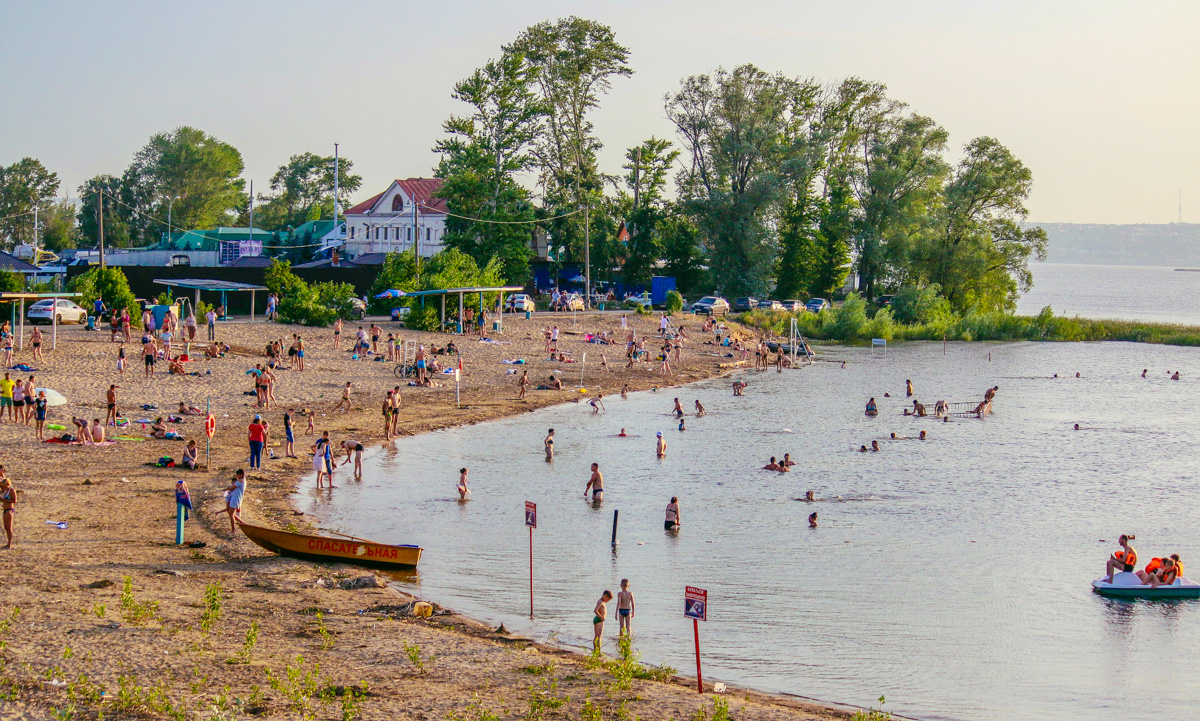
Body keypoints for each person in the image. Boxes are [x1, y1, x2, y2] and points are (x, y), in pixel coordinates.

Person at [224, 470, 246, 534]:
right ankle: (243, 524)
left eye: (237, 474)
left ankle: (233, 530)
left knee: (231, 514)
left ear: (241, 475)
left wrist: (229, 487)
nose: (236, 476)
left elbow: (231, 488)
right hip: (235, 498)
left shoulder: (240, 482)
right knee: (231, 514)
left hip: (235, 499)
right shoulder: (241, 480)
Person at [0, 474, 16, 549]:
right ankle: (8, 543)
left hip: (9, 510)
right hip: (5, 510)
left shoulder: (11, 490)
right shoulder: (5, 490)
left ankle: (9, 544)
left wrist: (3, 500)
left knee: (9, 528)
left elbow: (14, 500)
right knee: (6, 527)